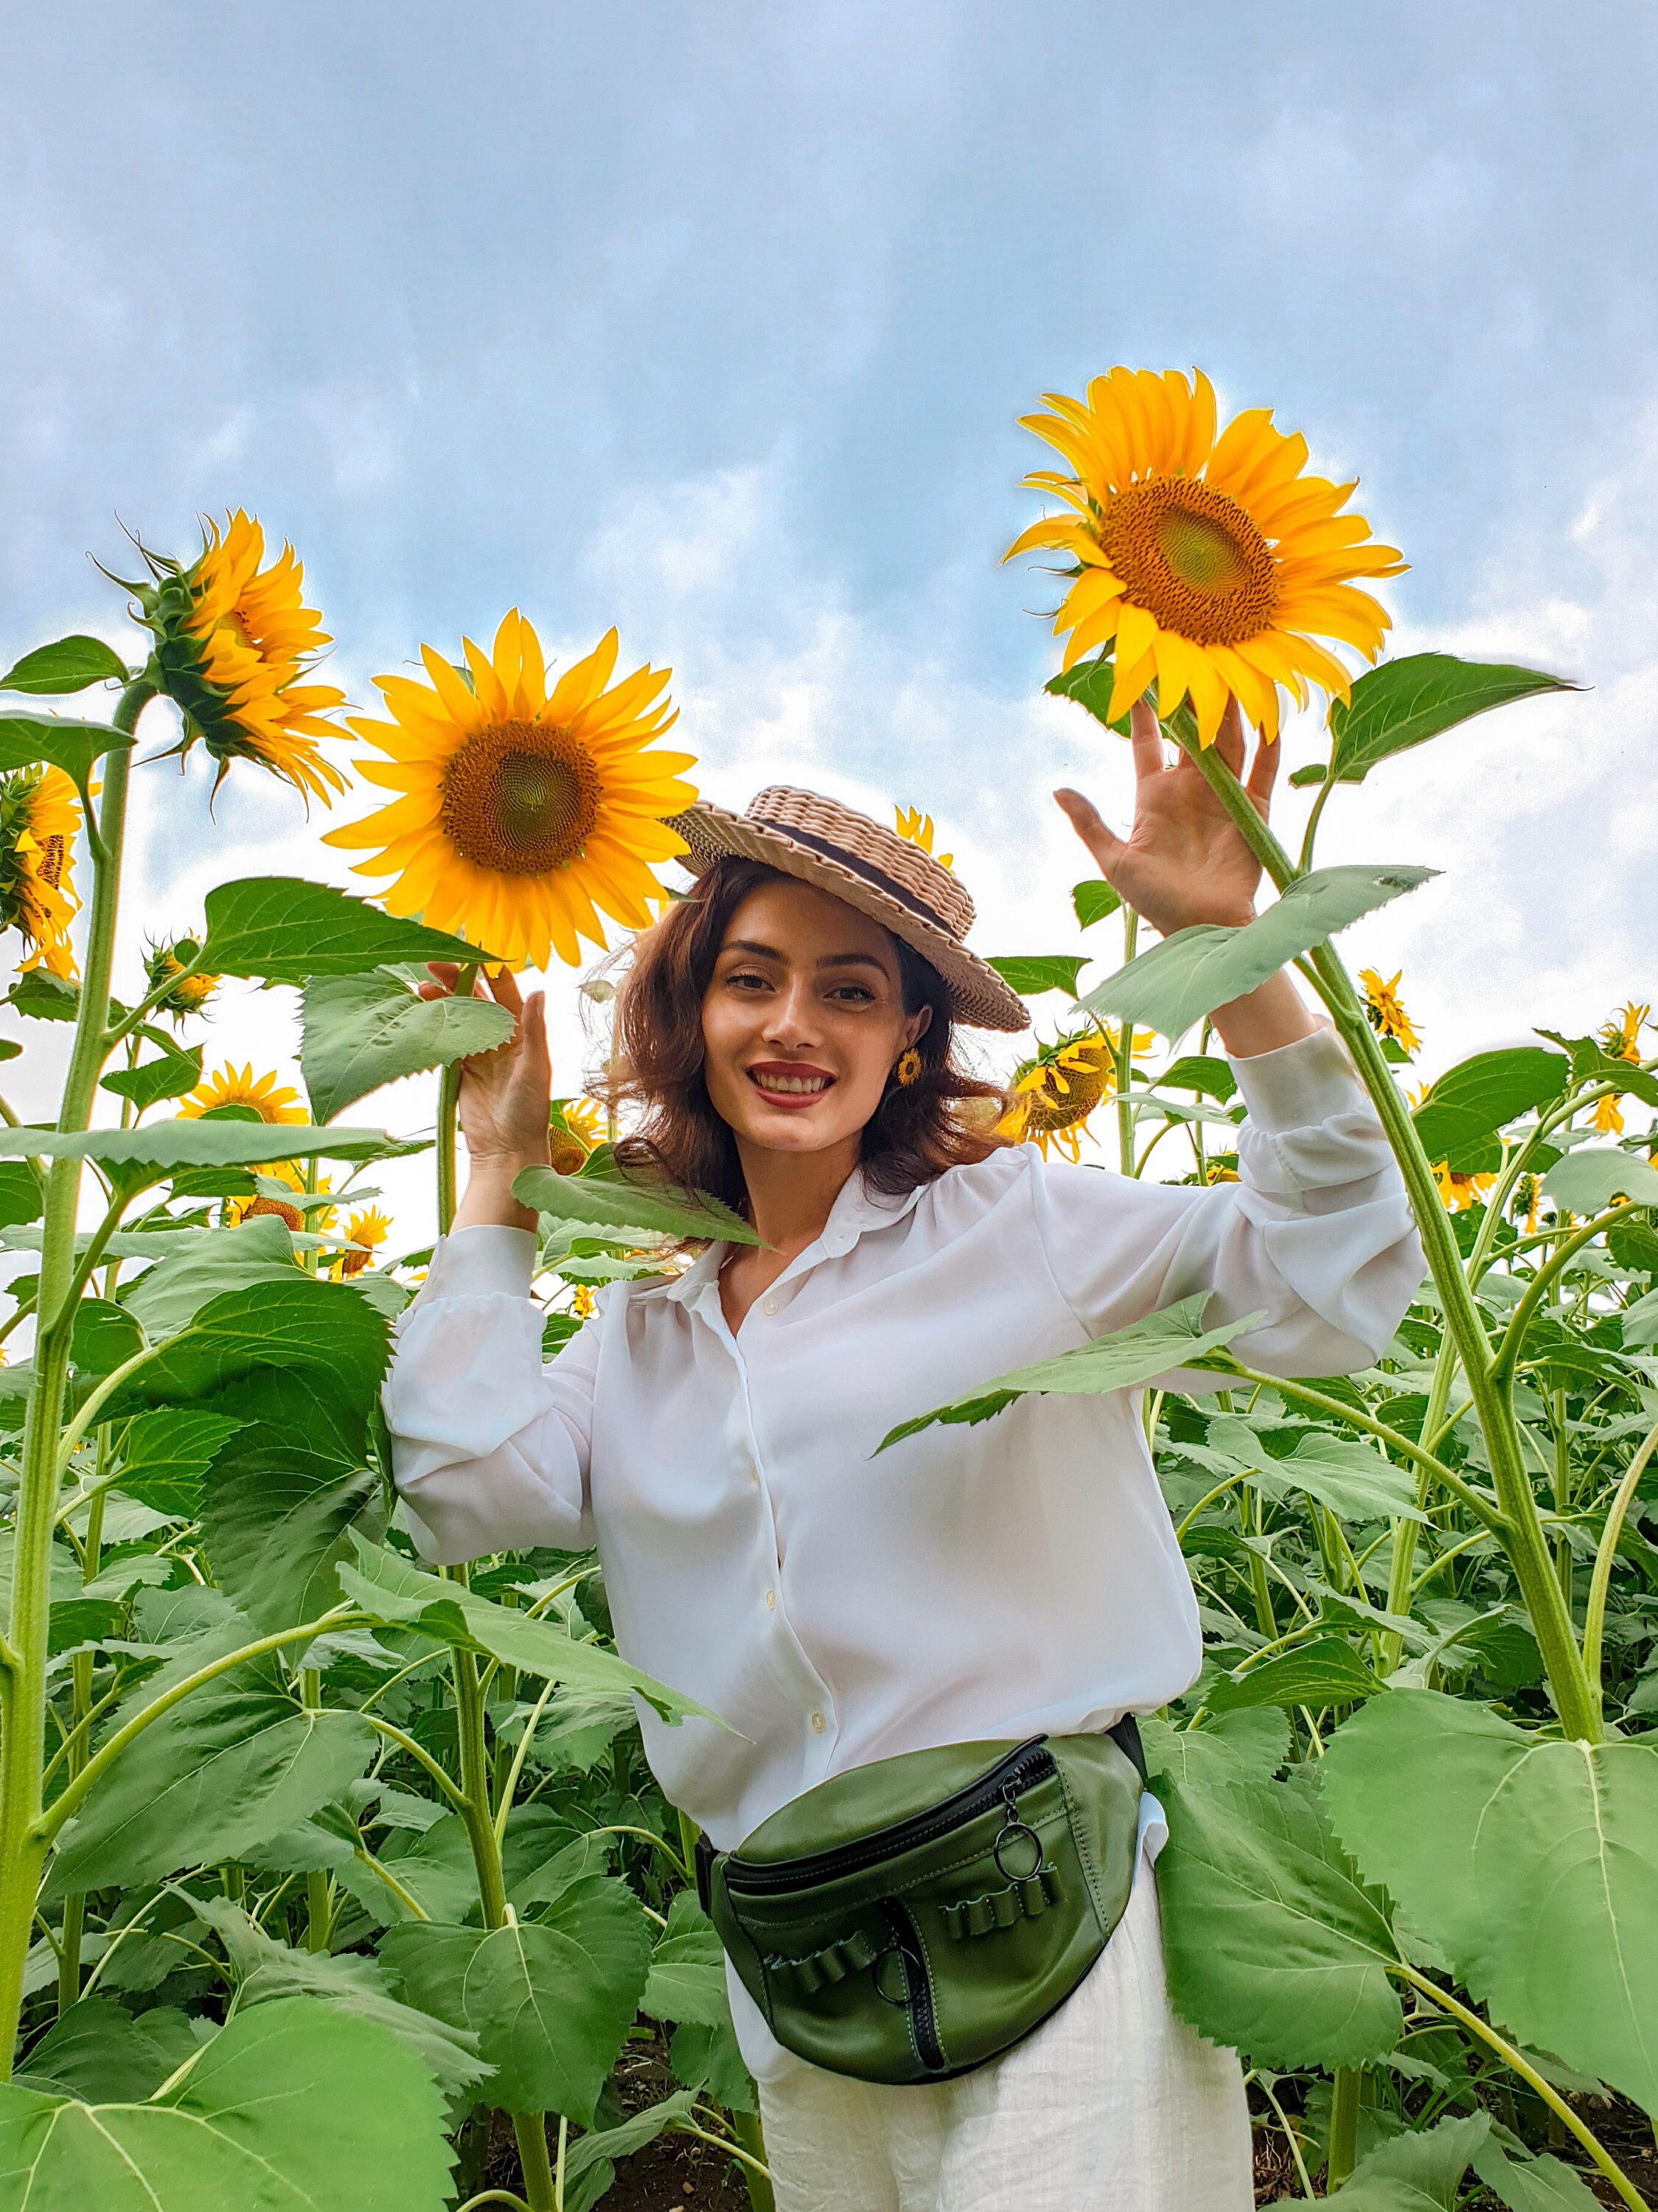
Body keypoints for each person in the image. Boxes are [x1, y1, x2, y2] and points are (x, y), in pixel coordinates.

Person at [386, 698, 1422, 2212]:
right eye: (752, 980)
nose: (793, 1026)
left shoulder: (1021, 1227)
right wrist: (496, 1180)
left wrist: (1238, 964)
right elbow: (466, 1487)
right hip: (808, 1960)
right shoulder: (645, 1322)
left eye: (849, 990)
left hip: (1050, 1921)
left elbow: (1337, 1285)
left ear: (909, 1038)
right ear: (693, 1012)